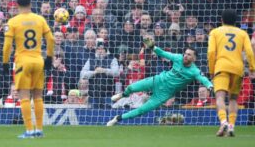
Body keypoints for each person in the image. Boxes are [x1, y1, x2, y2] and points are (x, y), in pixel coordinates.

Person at [107, 37, 213, 127]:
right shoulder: (178, 58)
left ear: (194, 58)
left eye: (189, 55)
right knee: (131, 88)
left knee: (141, 110)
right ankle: (122, 95)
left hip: (164, 94)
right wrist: (153, 47)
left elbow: (203, 79)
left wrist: (210, 85)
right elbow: (163, 53)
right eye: (185, 53)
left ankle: (117, 118)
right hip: (157, 80)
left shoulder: (194, 71)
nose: (185, 56)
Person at [2, 0, 54, 138]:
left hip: (22, 61)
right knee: (38, 96)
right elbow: (50, 38)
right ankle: (39, 129)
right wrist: (49, 57)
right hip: (38, 60)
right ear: (30, 4)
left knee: (24, 97)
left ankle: (29, 130)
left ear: (17, 5)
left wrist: (5, 62)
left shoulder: (12, 21)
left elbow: (7, 46)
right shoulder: (40, 19)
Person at [207, 9, 255, 137]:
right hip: (237, 69)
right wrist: (252, 68)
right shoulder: (242, 33)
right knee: (233, 99)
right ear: (235, 21)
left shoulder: (215, 32)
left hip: (221, 67)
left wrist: (211, 70)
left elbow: (211, 53)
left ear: (221, 20)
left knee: (220, 97)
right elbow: (250, 52)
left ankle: (223, 122)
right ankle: (232, 126)